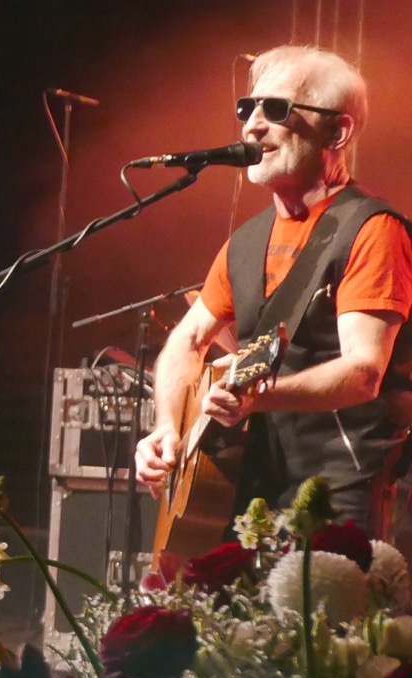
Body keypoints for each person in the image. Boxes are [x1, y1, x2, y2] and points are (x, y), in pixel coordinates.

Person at [134, 46, 412, 533]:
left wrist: (259, 397)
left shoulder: (372, 230)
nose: (252, 126)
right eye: (248, 108)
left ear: (337, 132)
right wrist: (167, 427)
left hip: (338, 487)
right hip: (256, 481)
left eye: (277, 110)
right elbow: (188, 340)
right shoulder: (246, 243)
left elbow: (364, 371)